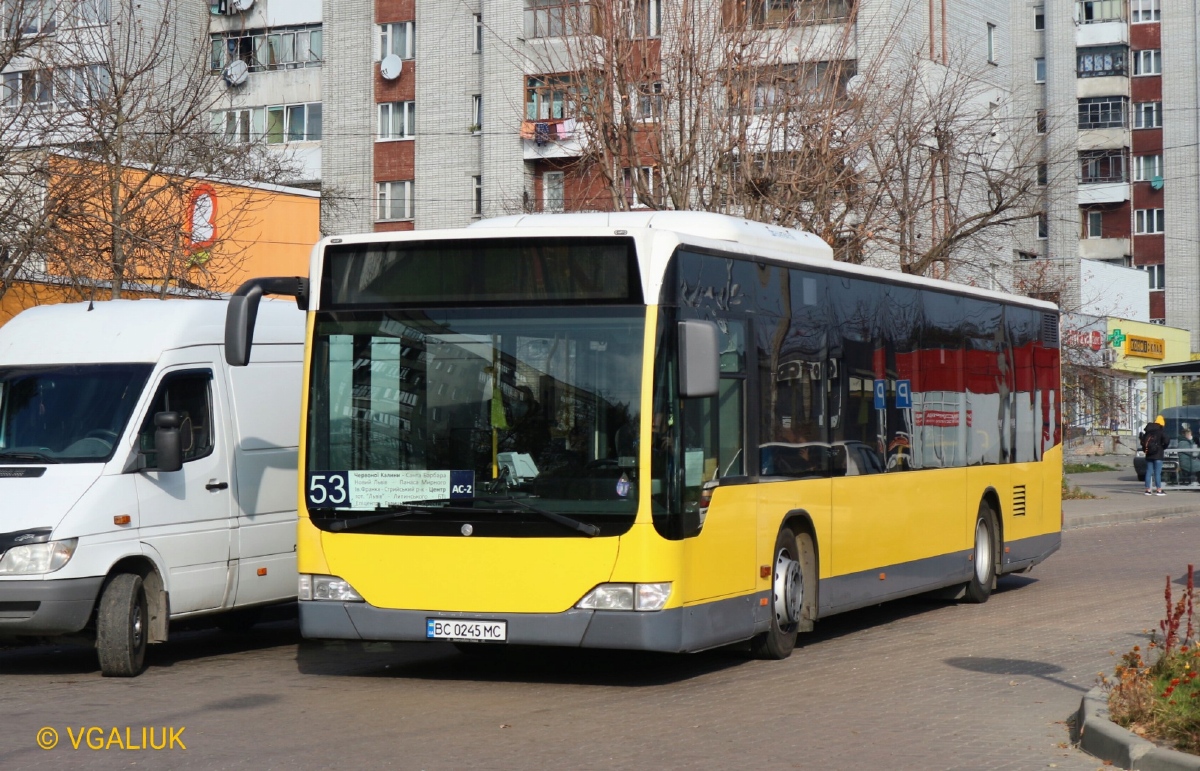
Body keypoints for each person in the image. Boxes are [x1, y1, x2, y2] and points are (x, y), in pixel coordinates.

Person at [1142, 415, 1167, 496]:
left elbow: (1143, 441)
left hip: (1149, 454)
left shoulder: (1148, 431)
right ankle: (1159, 490)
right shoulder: (1160, 431)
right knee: (1157, 473)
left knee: (1149, 471)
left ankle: (1147, 490)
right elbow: (1167, 440)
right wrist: (1163, 447)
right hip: (1158, 454)